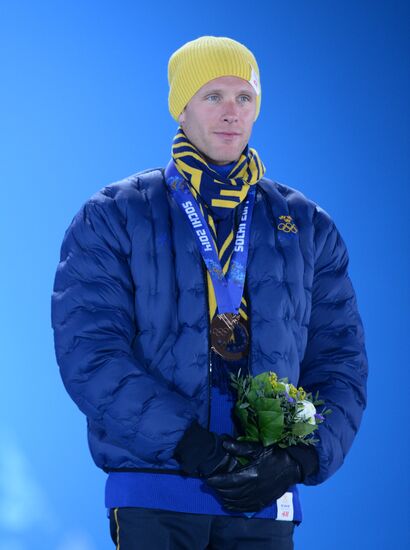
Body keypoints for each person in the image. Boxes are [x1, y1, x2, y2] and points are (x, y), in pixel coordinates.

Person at [51, 36, 368, 549]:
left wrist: (300, 457)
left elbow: (340, 362)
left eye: (244, 98)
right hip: (156, 494)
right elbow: (89, 353)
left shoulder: (307, 225)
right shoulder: (113, 215)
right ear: (182, 107)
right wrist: (189, 445)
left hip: (263, 501)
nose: (231, 113)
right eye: (212, 95)